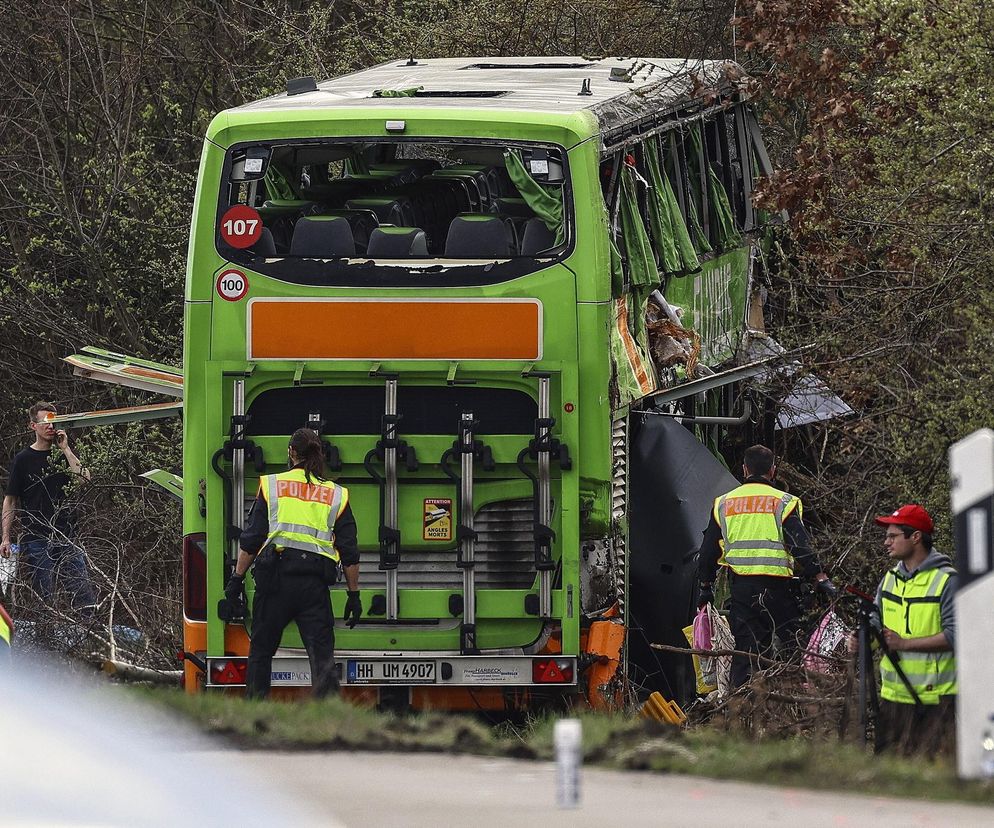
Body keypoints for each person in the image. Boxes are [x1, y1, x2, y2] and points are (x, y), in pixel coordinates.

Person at [222, 427, 361, 699]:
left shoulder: (272, 485)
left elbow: (252, 540)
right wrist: (353, 595)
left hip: (275, 581)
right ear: (318, 454)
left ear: (291, 452)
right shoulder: (336, 494)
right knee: (321, 656)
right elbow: (349, 551)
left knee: (261, 650)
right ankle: (329, 720)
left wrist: (236, 579)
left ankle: (255, 713)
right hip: (314, 586)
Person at [697, 444, 835, 687]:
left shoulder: (724, 503)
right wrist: (819, 576)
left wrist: (706, 586)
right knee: (793, 647)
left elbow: (708, 551)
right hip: (778, 588)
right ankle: (796, 705)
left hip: (742, 588)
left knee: (746, 652)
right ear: (773, 470)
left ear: (744, 469)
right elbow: (800, 546)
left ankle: (739, 710)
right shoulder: (785, 502)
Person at [867, 504, 957, 755]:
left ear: (915, 537)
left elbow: (955, 637)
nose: (886, 542)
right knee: (885, 780)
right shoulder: (889, 580)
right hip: (894, 698)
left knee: (930, 779)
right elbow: (877, 627)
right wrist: (863, 638)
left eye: (893, 536)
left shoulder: (947, 581)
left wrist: (903, 644)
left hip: (935, 700)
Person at [0, 402, 96, 614]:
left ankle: (91, 636)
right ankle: (47, 639)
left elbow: (85, 480)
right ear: (33, 426)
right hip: (36, 538)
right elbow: (10, 500)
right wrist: (5, 537)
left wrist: (66, 449)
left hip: (66, 534)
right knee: (45, 596)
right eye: (46, 422)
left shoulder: (62, 455)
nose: (51, 426)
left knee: (83, 593)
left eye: (54, 421)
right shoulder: (22, 460)